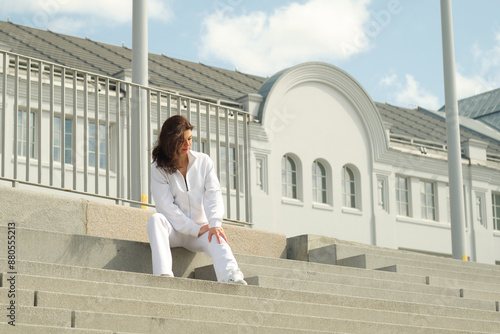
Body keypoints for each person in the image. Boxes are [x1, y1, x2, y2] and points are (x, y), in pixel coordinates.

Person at [146, 114, 247, 285]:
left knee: (217, 233)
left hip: (201, 232)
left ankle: (231, 276)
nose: (187, 144)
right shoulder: (158, 169)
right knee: (155, 220)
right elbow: (165, 206)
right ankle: (163, 277)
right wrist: (193, 228)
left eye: (190, 139)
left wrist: (214, 223)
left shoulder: (204, 161)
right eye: (182, 141)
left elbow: (213, 194)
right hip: (176, 231)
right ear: (170, 142)